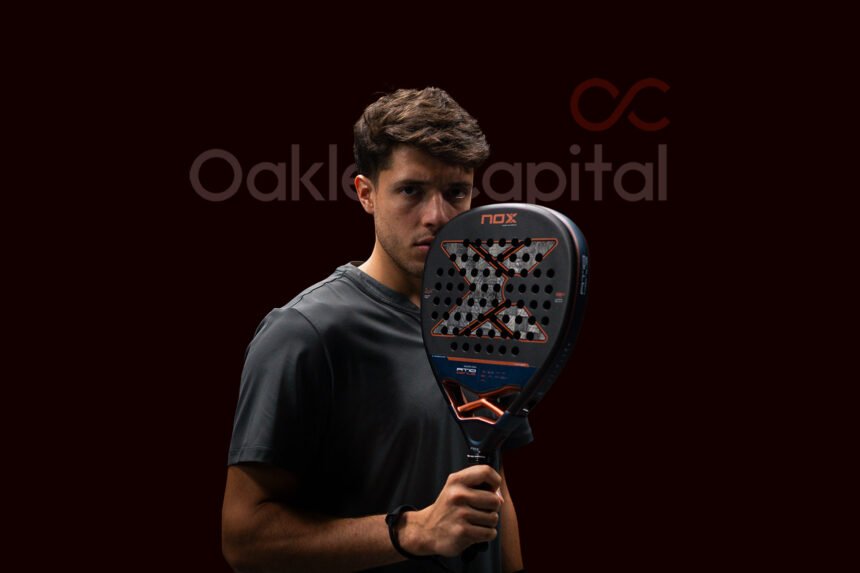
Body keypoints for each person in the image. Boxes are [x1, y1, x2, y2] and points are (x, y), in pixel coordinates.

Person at [221, 87, 532, 573]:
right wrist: (412, 531)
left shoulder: (482, 318)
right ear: (366, 193)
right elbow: (244, 539)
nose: (437, 216)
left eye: (456, 192)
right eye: (411, 191)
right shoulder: (306, 332)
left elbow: (495, 489)